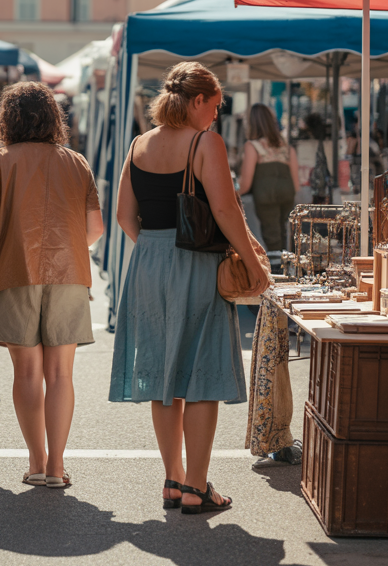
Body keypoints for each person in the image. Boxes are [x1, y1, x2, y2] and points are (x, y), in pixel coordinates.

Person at [109, 61, 266, 514]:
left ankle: (173, 481)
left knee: (164, 377)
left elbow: (123, 215)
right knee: (201, 375)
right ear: (197, 101)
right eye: (214, 106)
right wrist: (255, 264)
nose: (216, 116)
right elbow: (225, 210)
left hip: (148, 265)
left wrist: (155, 248)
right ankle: (197, 487)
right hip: (196, 264)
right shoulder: (204, 143)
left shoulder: (138, 144)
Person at [0, 83, 103, 488]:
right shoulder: (76, 163)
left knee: (27, 373)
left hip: (12, 273)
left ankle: (37, 462)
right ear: (53, 118)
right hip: (70, 274)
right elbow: (94, 228)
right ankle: (58, 467)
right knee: (60, 374)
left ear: (7, 118)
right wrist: (70, 247)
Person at [238, 104, 300, 252]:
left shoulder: (252, 146)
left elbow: (246, 183)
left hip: (265, 196)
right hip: (288, 194)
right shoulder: (286, 146)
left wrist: (233, 194)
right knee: (287, 233)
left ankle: (277, 268)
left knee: (271, 236)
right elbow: (296, 184)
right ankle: (289, 264)